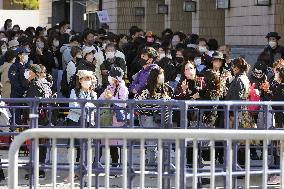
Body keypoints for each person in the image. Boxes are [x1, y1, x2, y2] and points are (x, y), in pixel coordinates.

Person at [135, 66, 173, 165]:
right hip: (149, 118)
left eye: (162, 74)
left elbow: (172, 101)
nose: (162, 76)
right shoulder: (145, 89)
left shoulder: (167, 88)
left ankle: (165, 165)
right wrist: (156, 105)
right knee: (151, 144)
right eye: (160, 74)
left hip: (165, 117)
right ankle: (151, 164)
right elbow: (138, 103)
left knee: (165, 143)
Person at [64, 70, 97, 182]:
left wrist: (84, 106)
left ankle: (84, 172)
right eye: (85, 78)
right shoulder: (74, 91)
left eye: (89, 78)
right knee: (72, 148)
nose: (87, 81)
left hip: (89, 123)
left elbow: (95, 107)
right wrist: (87, 107)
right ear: (80, 80)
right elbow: (73, 105)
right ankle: (72, 172)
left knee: (87, 149)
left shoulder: (94, 93)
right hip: (75, 121)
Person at [24, 64, 52, 180]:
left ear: (34, 73)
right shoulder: (42, 84)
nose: (26, 73)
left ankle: (37, 170)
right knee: (40, 145)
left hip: (36, 120)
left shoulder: (35, 85)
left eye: (28, 71)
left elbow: (32, 105)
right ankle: (40, 169)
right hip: (43, 119)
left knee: (36, 145)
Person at [99, 67, 128, 168]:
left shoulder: (123, 88)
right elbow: (100, 99)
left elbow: (123, 104)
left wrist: (111, 98)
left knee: (117, 143)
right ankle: (114, 164)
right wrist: (105, 97)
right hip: (109, 118)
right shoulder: (109, 87)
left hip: (118, 118)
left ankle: (117, 165)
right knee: (111, 143)